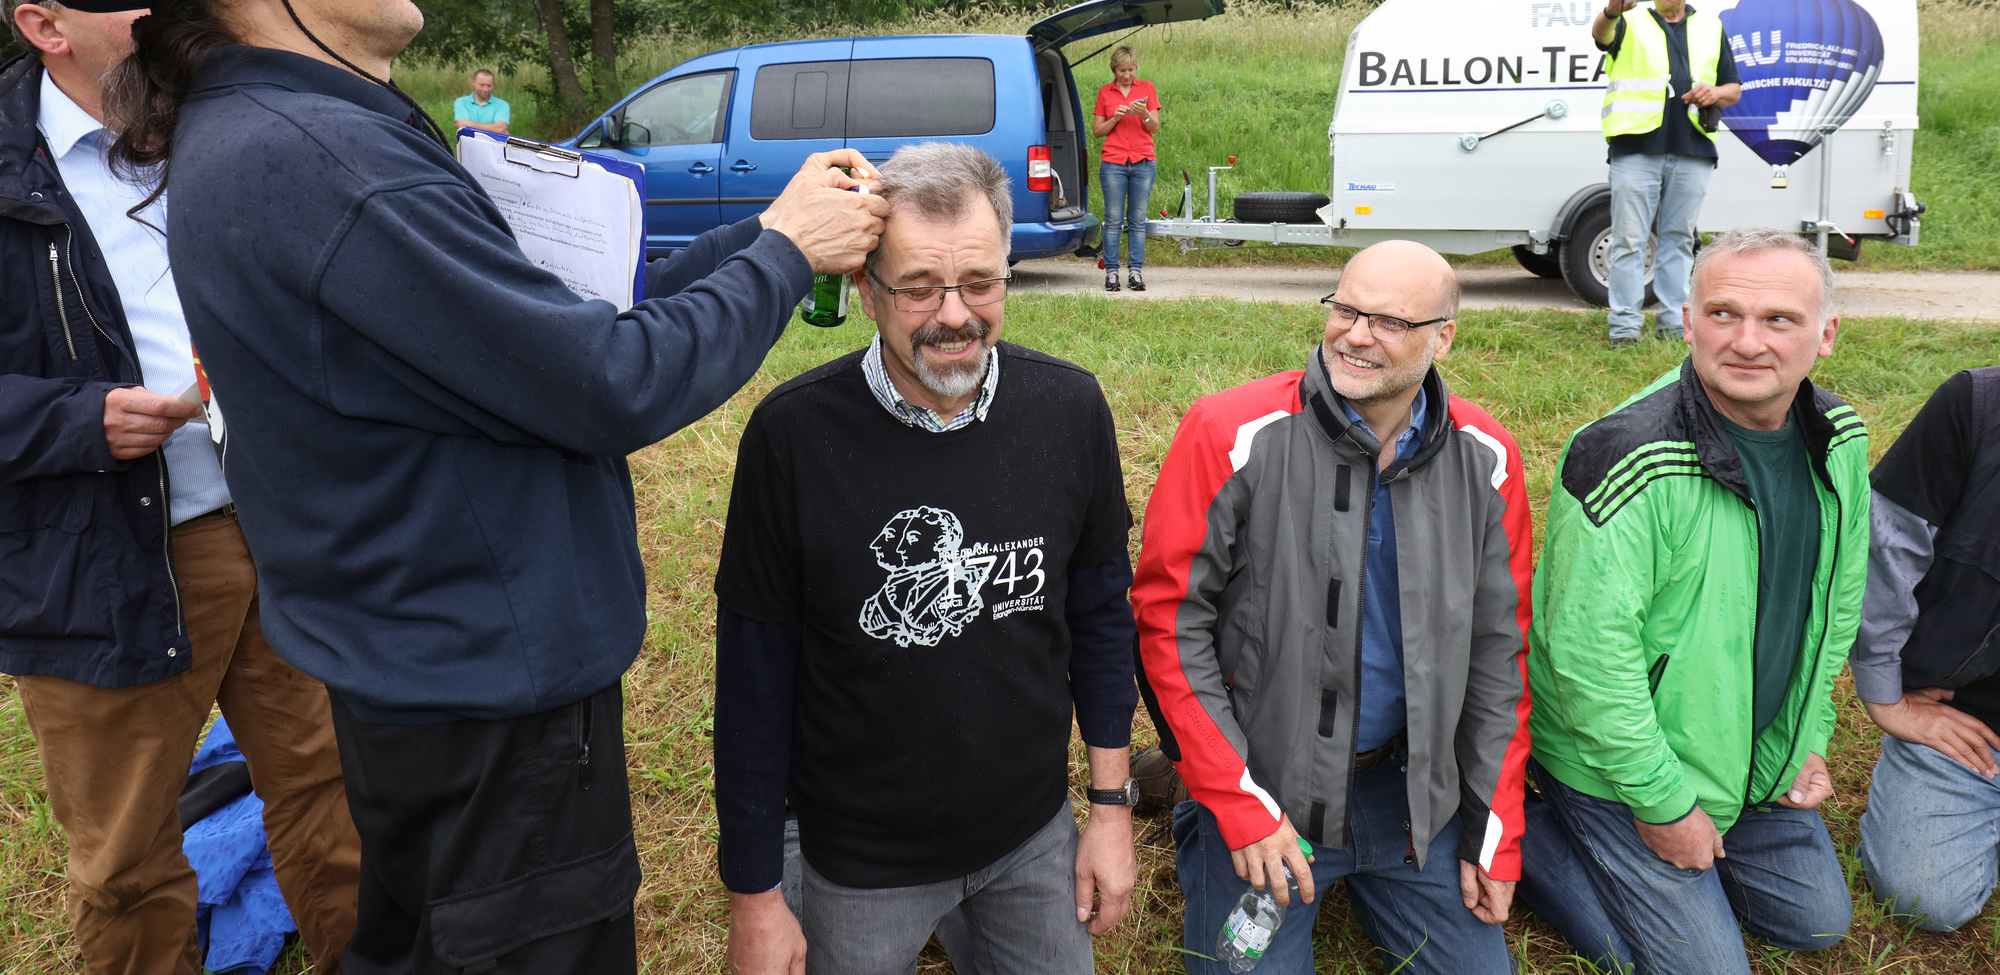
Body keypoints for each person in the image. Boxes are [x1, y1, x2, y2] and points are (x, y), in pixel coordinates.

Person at [44, 0, 886, 975]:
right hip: (492, 705)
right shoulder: (327, 160)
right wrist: (787, 253)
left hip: (420, 672)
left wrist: (759, 236)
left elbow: (531, 331)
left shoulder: (286, 131)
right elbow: (607, 380)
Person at [1, 0, 359, 972]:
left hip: (284, 524)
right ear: (44, 25)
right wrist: (71, 418)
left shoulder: (227, 117)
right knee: (126, 861)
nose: (156, 1)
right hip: (101, 555)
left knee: (335, 800)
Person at [712, 142, 1139, 975]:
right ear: (867, 292)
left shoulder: (1070, 408)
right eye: (918, 287)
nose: (955, 314)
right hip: (857, 857)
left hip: (1030, 833)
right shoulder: (793, 437)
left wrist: (1113, 808)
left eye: (980, 282)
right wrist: (756, 896)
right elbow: (754, 683)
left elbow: (1100, 614)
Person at [1132, 240, 1534, 975]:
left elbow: (1498, 655)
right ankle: (1201, 814)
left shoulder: (1489, 456)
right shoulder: (1230, 431)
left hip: (1408, 796)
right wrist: (1239, 799)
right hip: (1269, 782)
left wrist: (1494, 833)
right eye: (1346, 308)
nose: (1355, 333)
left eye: (1388, 320)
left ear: (1443, 335)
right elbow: (1166, 622)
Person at [1519, 227, 1868, 974]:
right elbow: (1591, 660)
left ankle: (1699, 831)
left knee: (1816, 922)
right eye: (1722, 314)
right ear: (1686, 321)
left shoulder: (1840, 439)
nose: (1747, 341)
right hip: (1617, 764)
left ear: (1826, 334)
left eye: (1779, 319)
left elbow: (1838, 602)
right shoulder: (1625, 456)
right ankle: (1535, 828)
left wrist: (1809, 734)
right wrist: (1664, 803)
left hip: (1747, 750)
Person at [1849, 367, 2000, 931]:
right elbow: (1884, 557)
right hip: (1968, 722)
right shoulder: (1977, 405)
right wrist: (1886, 696)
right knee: (1922, 899)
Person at [1590, 0, 1743, 346]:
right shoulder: (1628, 20)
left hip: (1693, 147)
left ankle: (1674, 325)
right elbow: (1600, 37)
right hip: (1636, 147)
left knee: (1678, 239)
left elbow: (1734, 88)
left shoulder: (1712, 26)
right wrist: (1611, 9)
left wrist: (1714, 92)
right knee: (1629, 239)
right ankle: (1625, 328)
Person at [1090, 44, 1160, 293]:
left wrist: (1143, 114)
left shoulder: (1147, 89)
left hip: (1142, 161)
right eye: (1122, 70)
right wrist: (1115, 118)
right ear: (1114, 69)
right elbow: (1098, 131)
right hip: (1113, 163)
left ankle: (1135, 272)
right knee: (1113, 220)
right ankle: (1111, 273)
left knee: (1137, 219)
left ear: (1136, 68)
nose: (1127, 75)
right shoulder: (1105, 93)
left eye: (1131, 70)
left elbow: (1155, 127)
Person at [452, 67, 509, 134]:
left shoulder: (502, 105)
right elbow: (462, 126)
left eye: (489, 86)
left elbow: (500, 129)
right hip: (468, 144)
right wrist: (494, 128)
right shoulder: (461, 102)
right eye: (482, 85)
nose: (485, 89)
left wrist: (469, 124)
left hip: (493, 144)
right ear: (473, 83)